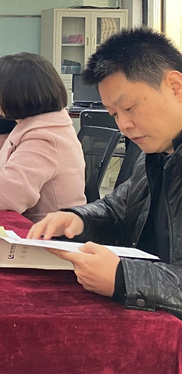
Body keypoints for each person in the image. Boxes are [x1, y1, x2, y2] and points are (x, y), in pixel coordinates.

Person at [28, 28, 182, 317]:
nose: (123, 125)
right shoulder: (157, 153)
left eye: (129, 107)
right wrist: (77, 220)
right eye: (114, 114)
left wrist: (124, 278)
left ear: (175, 87)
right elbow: (118, 210)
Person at [0, 53, 86, 222]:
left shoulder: (44, 137)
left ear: (13, 93)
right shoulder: (37, 125)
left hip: (48, 233)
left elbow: (5, 197)